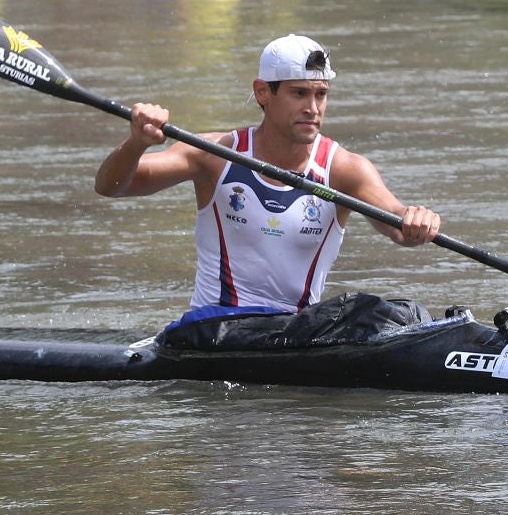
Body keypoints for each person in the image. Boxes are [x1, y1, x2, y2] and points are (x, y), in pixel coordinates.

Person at [93, 33, 442, 343]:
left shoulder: (343, 169)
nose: (313, 108)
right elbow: (113, 186)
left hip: (294, 339)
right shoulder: (215, 155)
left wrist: (414, 221)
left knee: (383, 314)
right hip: (213, 331)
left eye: (321, 95)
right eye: (299, 93)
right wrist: (136, 143)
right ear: (263, 92)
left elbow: (393, 221)